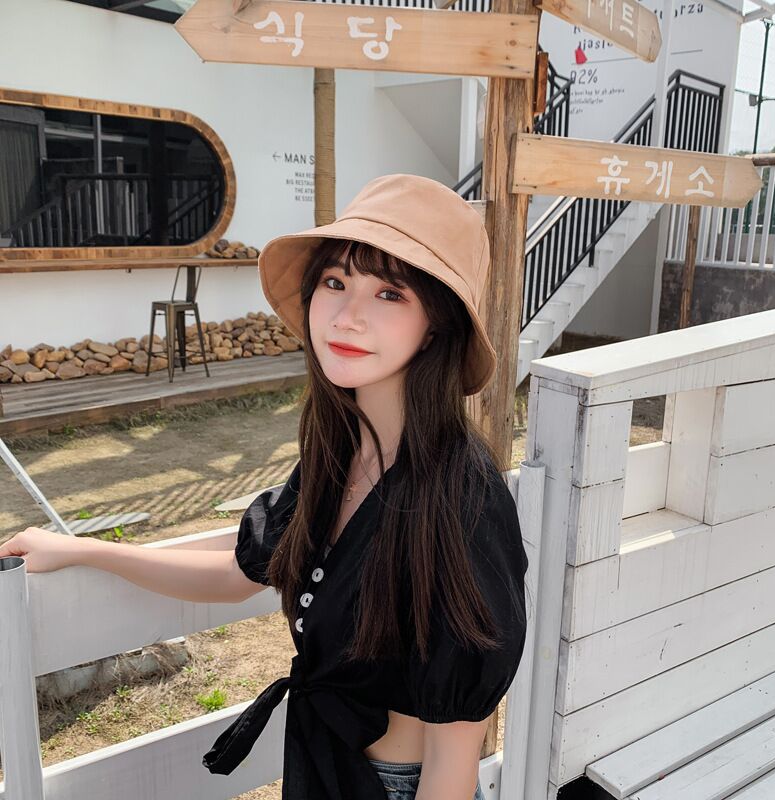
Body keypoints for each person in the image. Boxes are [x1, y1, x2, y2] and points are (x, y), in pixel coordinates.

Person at [0, 173, 529, 800]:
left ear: (435, 326)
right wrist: (85, 549)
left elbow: (453, 760)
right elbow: (237, 574)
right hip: (320, 767)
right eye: (335, 282)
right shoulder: (338, 455)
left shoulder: (461, 497)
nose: (348, 316)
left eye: (390, 294)